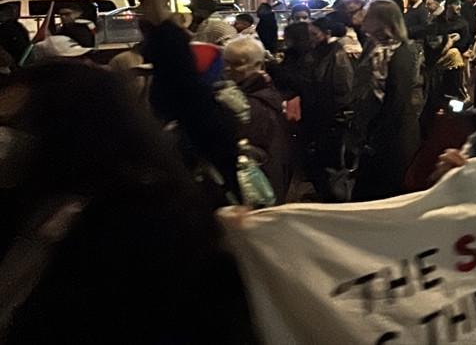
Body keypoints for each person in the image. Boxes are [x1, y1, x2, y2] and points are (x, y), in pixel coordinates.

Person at [0, 62, 254, 342]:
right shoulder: (40, 203)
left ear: (66, 128)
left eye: (15, 125)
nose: (6, 139)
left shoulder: (148, 222)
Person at [347, 0, 424, 201]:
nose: (362, 18)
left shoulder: (401, 51)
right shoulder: (374, 46)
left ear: (381, 21)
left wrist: (376, 136)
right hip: (372, 132)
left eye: (367, 15)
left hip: (391, 138)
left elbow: (397, 99)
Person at [222, 36, 291, 201]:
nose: (229, 69)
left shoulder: (253, 103)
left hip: (257, 186)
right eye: (226, 63)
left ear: (258, 65)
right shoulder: (261, 92)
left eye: (237, 64)